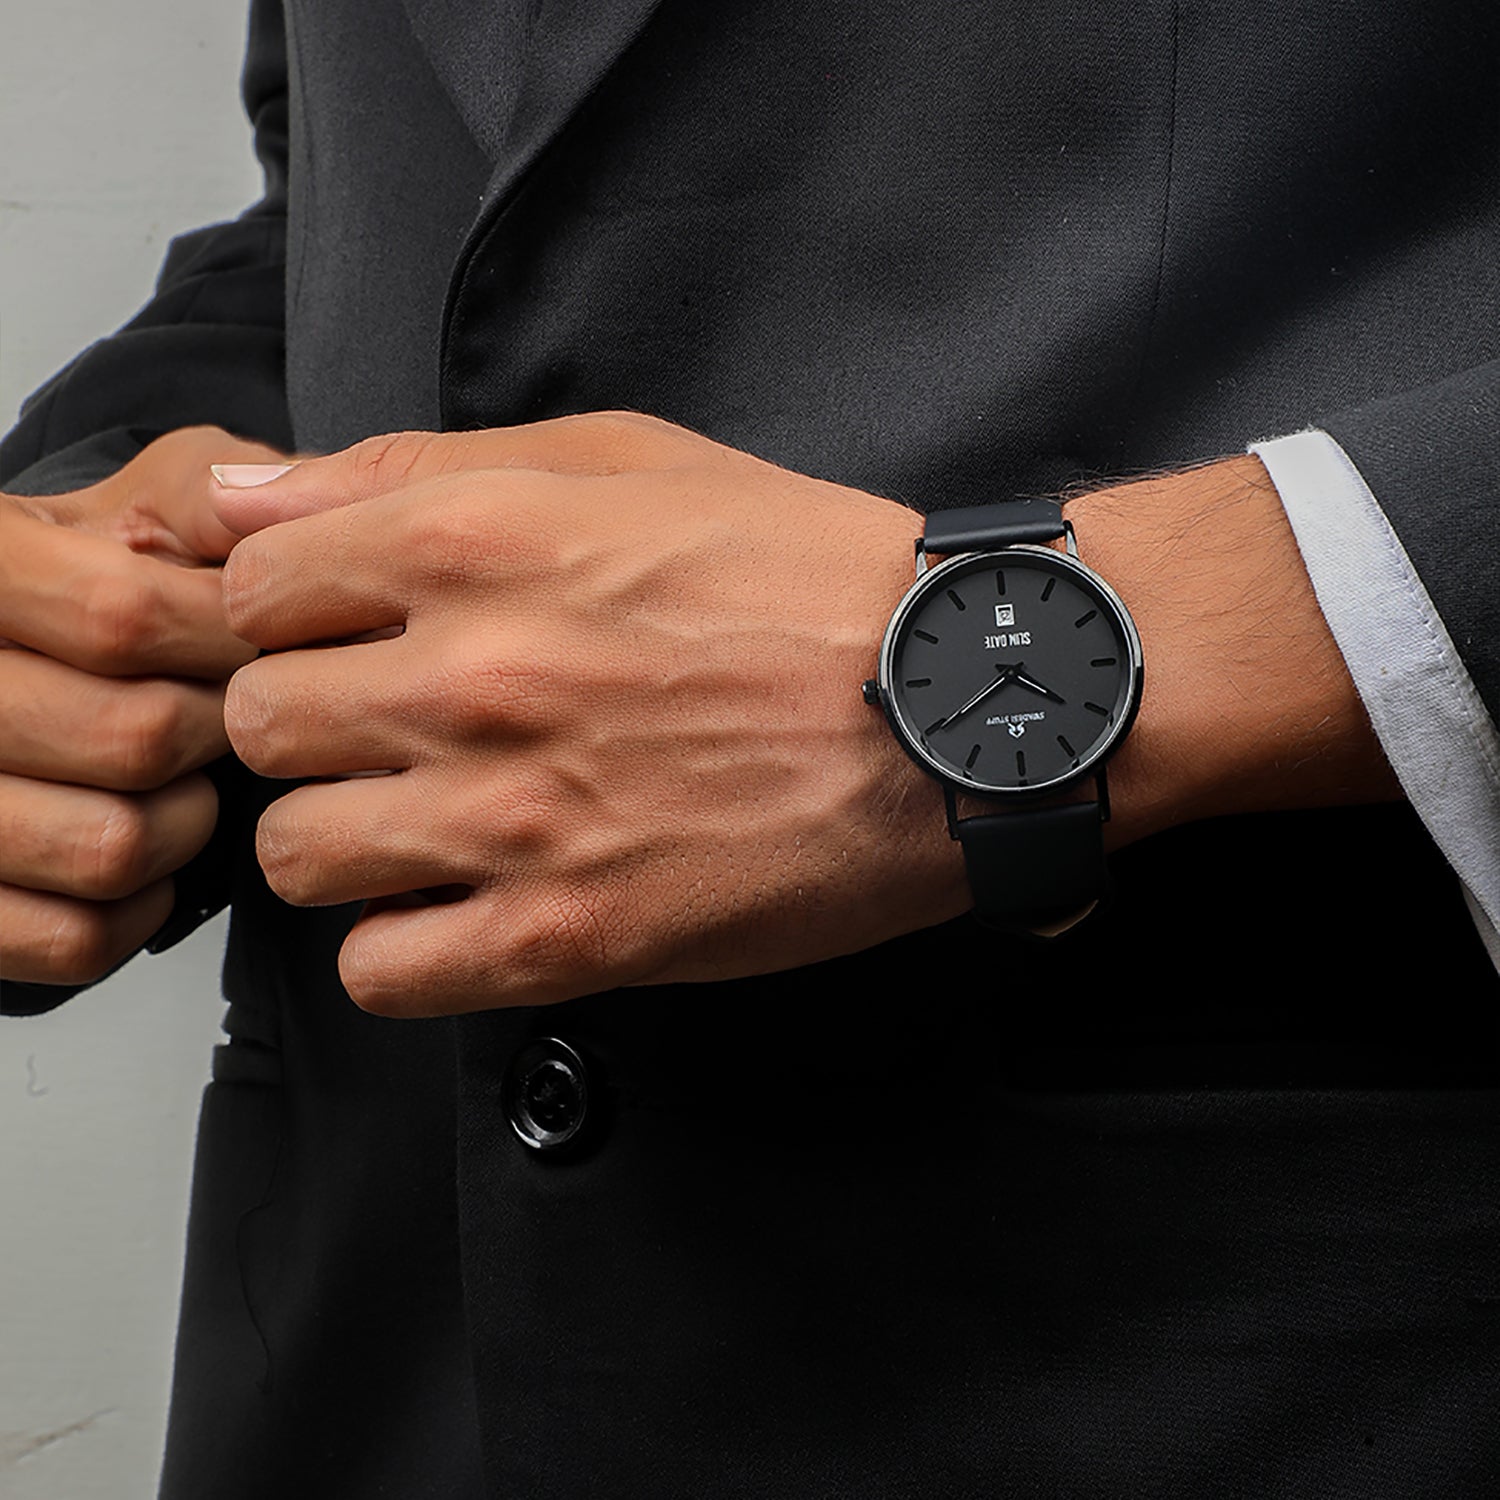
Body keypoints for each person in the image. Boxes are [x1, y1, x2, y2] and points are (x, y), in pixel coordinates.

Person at [3, 1, 1498, 1495]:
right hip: (383, 1341)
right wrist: (92, 578)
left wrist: (1039, 657)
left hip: (1240, 1331)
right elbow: (381, 210)